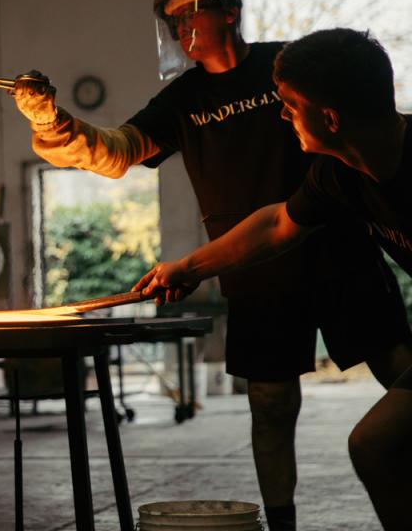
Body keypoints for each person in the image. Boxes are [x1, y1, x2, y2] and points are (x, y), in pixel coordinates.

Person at [12, 0, 412, 530]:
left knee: (399, 368)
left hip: (336, 247)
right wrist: (55, 125)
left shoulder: (288, 70)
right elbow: (117, 151)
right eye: (172, 21)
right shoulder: (182, 101)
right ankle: (282, 524)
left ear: (229, 10)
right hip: (251, 265)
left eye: (189, 13)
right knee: (270, 406)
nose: (181, 29)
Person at [134, 27, 412, 531]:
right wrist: (188, 268)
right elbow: (277, 225)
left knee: (382, 441)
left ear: (329, 117)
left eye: (289, 105)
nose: (281, 116)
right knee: (375, 445)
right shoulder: (339, 172)